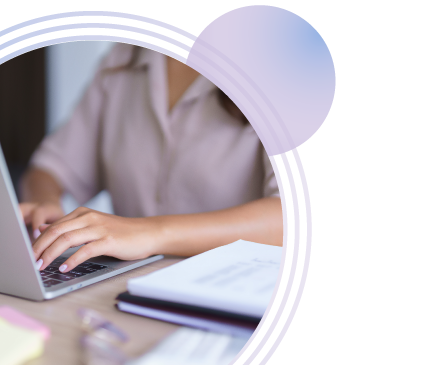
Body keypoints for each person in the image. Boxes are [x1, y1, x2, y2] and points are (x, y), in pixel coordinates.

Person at [19, 43, 282, 274]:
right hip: (127, 285)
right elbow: (49, 169)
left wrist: (149, 232)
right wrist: (45, 202)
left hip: (234, 290)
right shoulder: (125, 57)